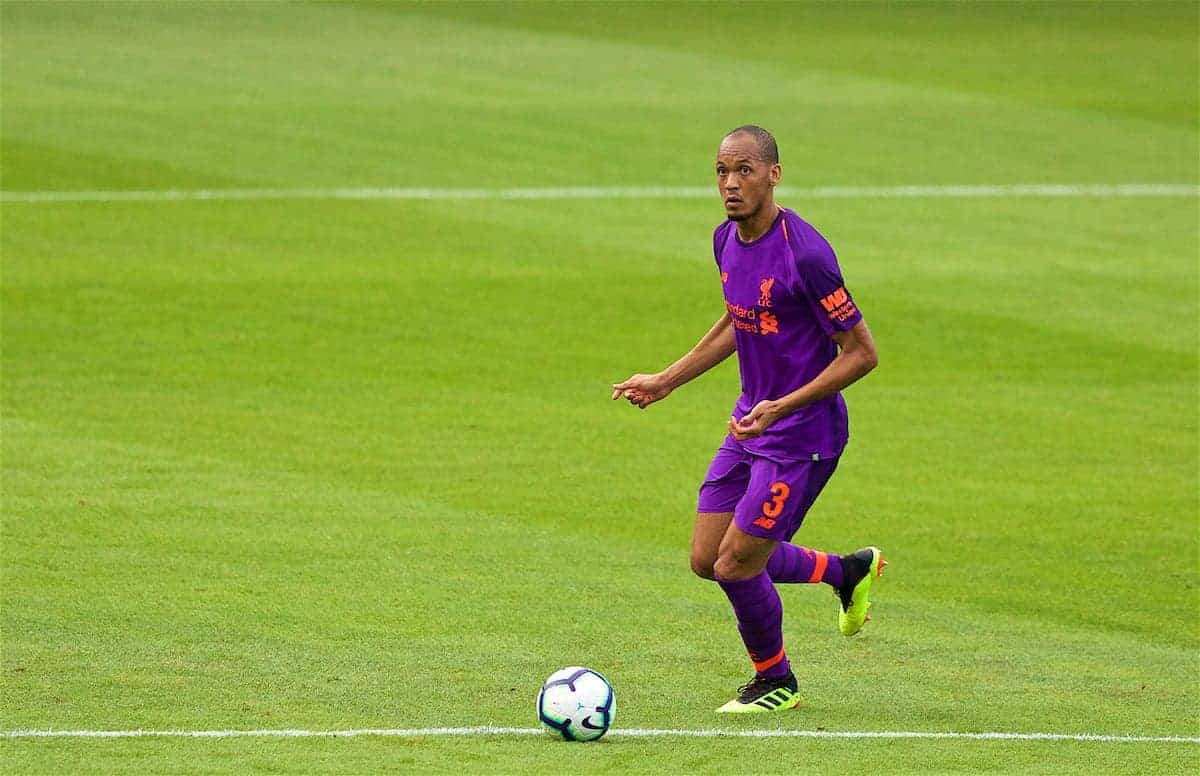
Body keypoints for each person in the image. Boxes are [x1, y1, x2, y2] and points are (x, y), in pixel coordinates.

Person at [612, 125, 884, 713]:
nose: (730, 184)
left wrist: (784, 405)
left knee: (738, 564)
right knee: (707, 559)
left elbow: (862, 353)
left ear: (773, 175)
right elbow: (741, 318)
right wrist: (666, 380)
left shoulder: (806, 254)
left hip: (802, 435)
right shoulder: (725, 240)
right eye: (720, 171)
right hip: (751, 424)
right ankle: (847, 572)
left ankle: (776, 680)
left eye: (744, 171)